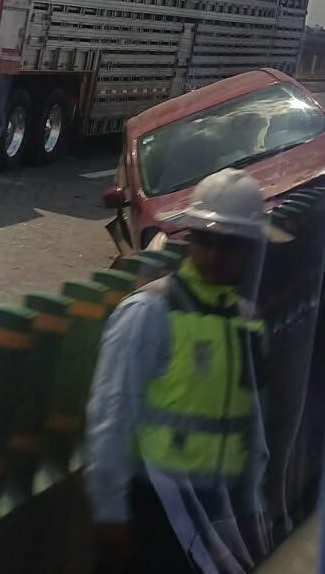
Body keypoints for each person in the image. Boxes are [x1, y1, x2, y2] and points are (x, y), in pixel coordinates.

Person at [86, 168, 291, 574]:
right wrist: (110, 514)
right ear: (191, 239)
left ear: (249, 249)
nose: (216, 256)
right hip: (153, 509)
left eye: (230, 245)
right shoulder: (149, 313)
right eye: (207, 241)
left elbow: (251, 427)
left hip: (218, 514)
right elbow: (110, 420)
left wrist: (251, 511)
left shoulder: (246, 323)